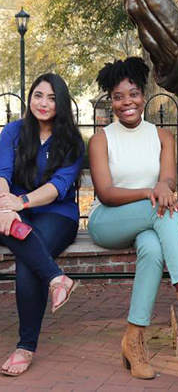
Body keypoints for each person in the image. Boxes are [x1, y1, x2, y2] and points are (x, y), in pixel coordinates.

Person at [88, 57, 178, 380]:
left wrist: (162, 189)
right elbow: (107, 192)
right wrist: (150, 192)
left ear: (144, 95)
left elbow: (167, 181)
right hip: (108, 220)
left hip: (149, 220)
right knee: (161, 209)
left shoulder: (162, 136)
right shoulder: (101, 140)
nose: (127, 102)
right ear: (111, 101)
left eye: (133, 93)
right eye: (118, 96)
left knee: (153, 249)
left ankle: (134, 340)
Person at [0, 73, 84, 376]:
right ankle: (57, 279)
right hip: (11, 210)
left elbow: (58, 187)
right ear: (30, 98)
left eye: (51, 97)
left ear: (60, 103)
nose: (43, 103)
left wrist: (18, 205)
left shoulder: (72, 141)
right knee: (18, 234)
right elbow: (3, 174)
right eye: (38, 95)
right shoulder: (13, 131)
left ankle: (26, 347)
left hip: (57, 214)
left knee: (27, 261)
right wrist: (5, 208)